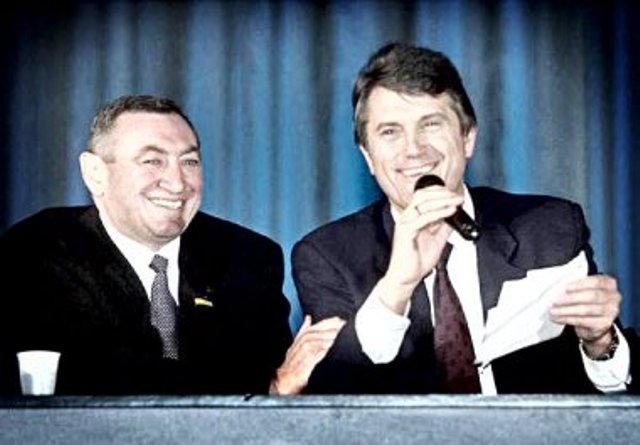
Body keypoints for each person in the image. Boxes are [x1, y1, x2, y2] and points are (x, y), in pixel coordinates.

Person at [292, 43, 639, 394]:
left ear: (467, 137)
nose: (414, 149)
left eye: (430, 124)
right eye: (390, 132)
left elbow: (614, 397)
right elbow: (335, 400)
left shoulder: (551, 227)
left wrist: (600, 342)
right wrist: (398, 283)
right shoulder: (327, 256)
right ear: (368, 156)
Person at [0, 94, 344, 395]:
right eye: (153, 161)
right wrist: (267, 387)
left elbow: (273, 395)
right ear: (95, 174)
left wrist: (277, 386)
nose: (177, 183)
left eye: (189, 162)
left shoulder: (246, 256)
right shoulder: (37, 253)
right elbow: (92, 389)